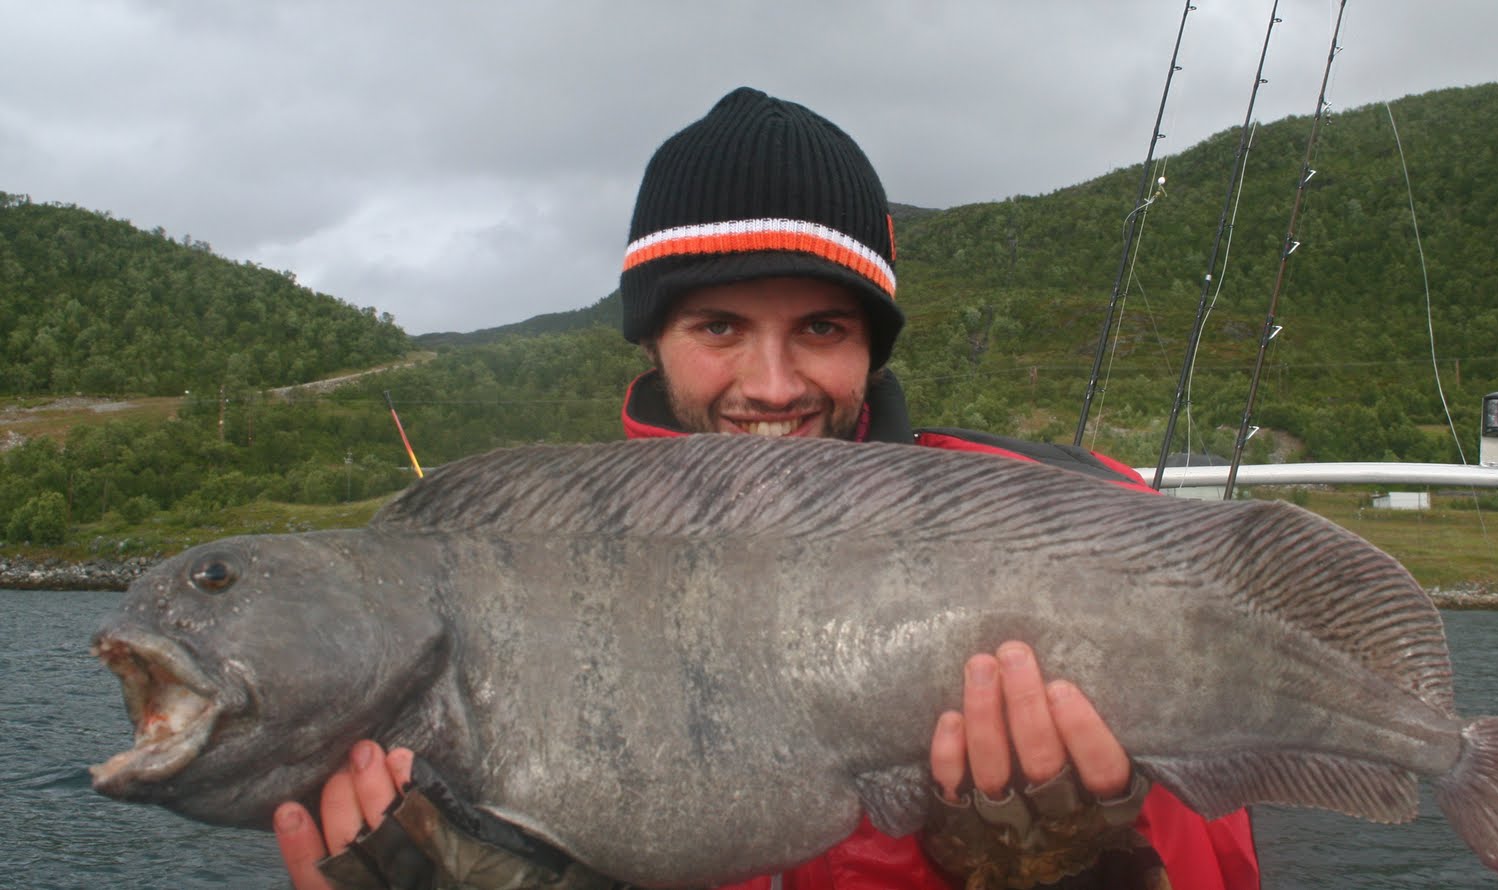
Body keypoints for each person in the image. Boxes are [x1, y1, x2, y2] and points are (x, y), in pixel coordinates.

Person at [274, 87, 1259, 890]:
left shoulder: (1092, 540)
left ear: (871, 345)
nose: (774, 385)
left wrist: (1082, 864)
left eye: (822, 328)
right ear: (654, 340)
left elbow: (1218, 860)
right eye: (720, 327)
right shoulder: (520, 581)